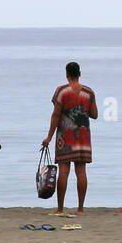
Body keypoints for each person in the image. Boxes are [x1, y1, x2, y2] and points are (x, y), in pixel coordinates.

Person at [41, 61, 97, 215]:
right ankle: (80, 209)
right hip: (83, 137)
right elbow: (94, 114)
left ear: (67, 74)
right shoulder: (89, 92)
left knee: (63, 172)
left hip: (64, 137)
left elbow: (56, 115)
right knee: (81, 172)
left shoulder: (61, 91)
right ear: (79, 73)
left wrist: (49, 137)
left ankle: (60, 208)